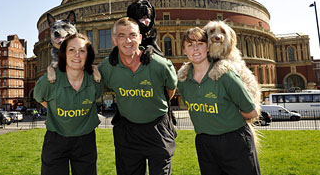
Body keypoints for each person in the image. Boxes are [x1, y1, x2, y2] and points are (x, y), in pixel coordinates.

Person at [98, 17, 178, 175]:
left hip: (158, 129)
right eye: (121, 35)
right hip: (127, 132)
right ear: (114, 40)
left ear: (140, 38)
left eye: (132, 35)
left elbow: (170, 89)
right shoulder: (106, 68)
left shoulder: (160, 65)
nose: (128, 40)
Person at [177, 27, 260, 175]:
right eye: (190, 45)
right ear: (183, 50)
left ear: (208, 47)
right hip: (204, 144)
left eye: (200, 44)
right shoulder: (183, 80)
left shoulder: (226, 75)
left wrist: (228, 119)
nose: (195, 48)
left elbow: (252, 112)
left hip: (234, 141)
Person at [33, 33, 103, 175]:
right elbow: (39, 97)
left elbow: (96, 95)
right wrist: (52, 109)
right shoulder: (48, 81)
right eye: (71, 50)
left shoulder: (95, 81)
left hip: (85, 140)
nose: (77, 55)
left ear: (87, 55)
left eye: (82, 51)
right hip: (56, 140)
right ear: (64, 53)